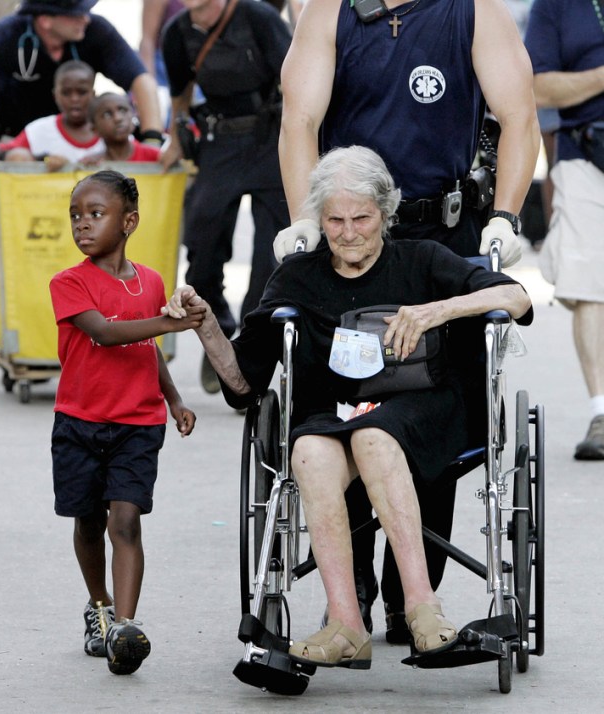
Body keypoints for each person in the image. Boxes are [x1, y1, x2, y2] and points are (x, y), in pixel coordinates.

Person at [165, 145, 533, 668]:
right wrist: (204, 324)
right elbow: (244, 384)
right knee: (309, 453)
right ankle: (345, 624)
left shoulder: (421, 260)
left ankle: (424, 612)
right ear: (319, 219)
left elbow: (516, 298)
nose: (348, 231)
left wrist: (436, 311)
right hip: (334, 415)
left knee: (374, 439)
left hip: (422, 410)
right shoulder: (296, 277)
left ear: (386, 212)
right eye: (334, 219)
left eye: (362, 217)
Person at [274, 0, 541, 641]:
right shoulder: (327, 13)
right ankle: (355, 592)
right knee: (345, 400)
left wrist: (505, 214)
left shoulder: (472, 11)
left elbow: (519, 116)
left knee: (434, 402)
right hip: (352, 235)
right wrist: (306, 220)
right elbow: (299, 120)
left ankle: (408, 593)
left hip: (440, 232)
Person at [49, 170, 202, 674]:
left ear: (129, 221)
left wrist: (174, 398)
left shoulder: (151, 281)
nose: (83, 225)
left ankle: (124, 629)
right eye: (76, 215)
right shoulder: (69, 283)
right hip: (79, 422)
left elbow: (147, 347)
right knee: (88, 522)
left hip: (139, 424)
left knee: (126, 521)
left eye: (96, 214)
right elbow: (105, 334)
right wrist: (172, 321)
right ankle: (99, 606)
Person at [160, 0, 292, 392]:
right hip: (220, 139)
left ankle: (246, 355)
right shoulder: (178, 32)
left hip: (271, 137)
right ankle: (217, 328)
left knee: (272, 255)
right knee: (201, 243)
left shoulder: (257, 17)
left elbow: (296, 77)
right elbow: (180, 95)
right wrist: (174, 139)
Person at [525, 0, 604, 460]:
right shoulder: (555, 5)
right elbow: (538, 86)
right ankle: (601, 411)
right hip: (585, 155)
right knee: (588, 283)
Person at [0, 0, 164, 146]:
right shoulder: (4, 37)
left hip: (79, 137)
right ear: (46, 20)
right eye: (76, 14)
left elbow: (141, 81)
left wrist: (152, 138)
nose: (86, 19)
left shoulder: (96, 30)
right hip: (17, 138)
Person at [0, 59, 104, 169]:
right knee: (18, 155)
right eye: (66, 93)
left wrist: (101, 158)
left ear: (93, 94)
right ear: (55, 96)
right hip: (49, 191)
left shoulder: (108, 128)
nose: (74, 99)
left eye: (82, 92)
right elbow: (0, 151)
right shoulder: (38, 130)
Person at [80, 92, 162, 164]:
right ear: (95, 129)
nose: (118, 118)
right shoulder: (91, 163)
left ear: (133, 115)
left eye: (123, 110)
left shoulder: (156, 157)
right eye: (107, 114)